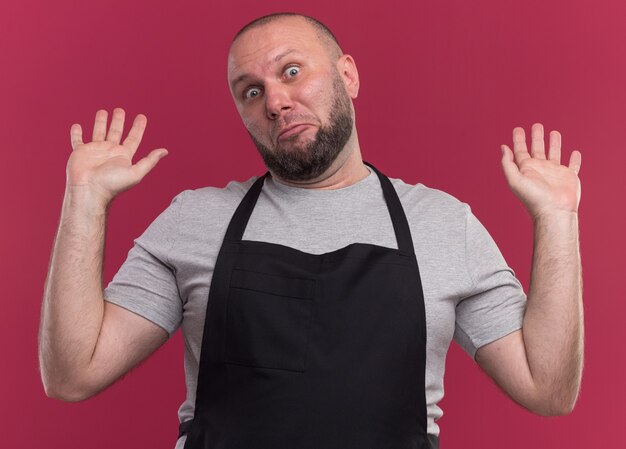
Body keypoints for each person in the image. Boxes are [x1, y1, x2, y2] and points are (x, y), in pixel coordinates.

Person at [39, 12, 583, 449]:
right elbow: (72, 374)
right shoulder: (196, 219)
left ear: (347, 75)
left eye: (291, 71)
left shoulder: (442, 224)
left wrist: (556, 219)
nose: (275, 101)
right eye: (250, 91)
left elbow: (547, 389)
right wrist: (84, 201)